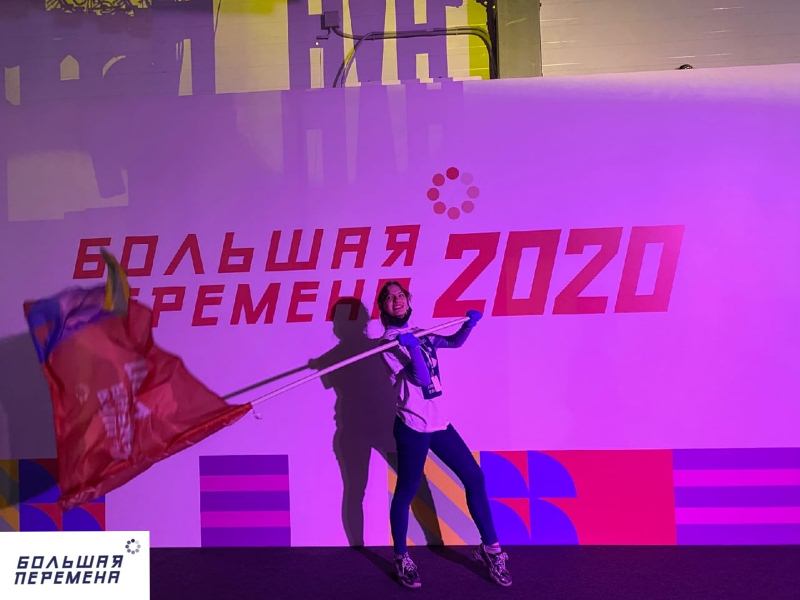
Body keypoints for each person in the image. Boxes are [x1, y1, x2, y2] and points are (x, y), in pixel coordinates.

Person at [377, 281, 512, 589]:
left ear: (408, 299)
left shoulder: (419, 332)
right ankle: (401, 557)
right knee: (407, 490)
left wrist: (469, 325)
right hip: (413, 426)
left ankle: (491, 550)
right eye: (389, 298)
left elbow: (453, 343)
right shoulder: (387, 344)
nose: (396, 300)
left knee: (474, 477)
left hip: (439, 423)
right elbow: (421, 378)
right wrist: (412, 347)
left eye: (400, 295)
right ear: (383, 307)